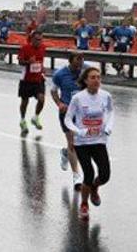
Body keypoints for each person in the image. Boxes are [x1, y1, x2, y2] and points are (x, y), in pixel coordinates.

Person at [64, 67, 114, 220]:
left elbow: (111, 112)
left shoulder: (106, 96)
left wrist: (109, 127)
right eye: (93, 77)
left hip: (99, 140)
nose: (96, 80)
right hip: (82, 143)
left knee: (105, 175)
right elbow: (67, 120)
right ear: (86, 80)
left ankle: (95, 187)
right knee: (89, 174)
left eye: (98, 77)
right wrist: (79, 131)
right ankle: (84, 203)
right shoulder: (78, 98)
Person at [50, 51, 86, 190]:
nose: (80, 63)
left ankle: (65, 152)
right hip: (67, 113)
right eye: (78, 60)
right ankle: (77, 176)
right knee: (73, 142)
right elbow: (53, 91)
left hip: (83, 113)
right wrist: (59, 103)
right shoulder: (60, 74)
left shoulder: (85, 71)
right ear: (71, 61)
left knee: (80, 144)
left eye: (82, 60)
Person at [17, 30, 46, 133]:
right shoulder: (25, 48)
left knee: (41, 99)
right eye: (37, 39)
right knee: (25, 102)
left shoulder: (43, 47)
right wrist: (28, 62)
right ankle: (23, 120)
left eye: (40, 39)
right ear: (32, 39)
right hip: (26, 80)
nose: (39, 41)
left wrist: (42, 68)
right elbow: (20, 62)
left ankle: (35, 117)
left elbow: (41, 60)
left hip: (38, 79)